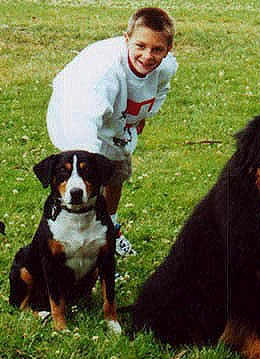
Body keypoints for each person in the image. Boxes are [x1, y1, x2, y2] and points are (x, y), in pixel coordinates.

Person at [46, 7, 178, 256]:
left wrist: (140, 120)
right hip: (79, 118)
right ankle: (76, 240)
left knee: (116, 175)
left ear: (168, 50)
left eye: (157, 49)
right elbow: (82, 125)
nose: (148, 55)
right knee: (82, 186)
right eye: (140, 46)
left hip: (117, 125)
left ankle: (109, 230)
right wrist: (88, 169)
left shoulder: (165, 67)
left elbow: (158, 93)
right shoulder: (101, 75)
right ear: (126, 40)